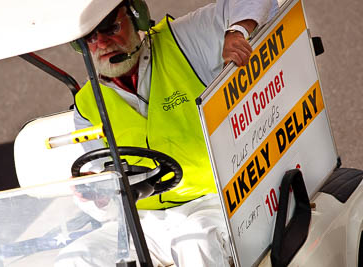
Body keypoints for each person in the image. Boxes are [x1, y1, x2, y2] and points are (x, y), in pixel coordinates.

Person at [56, 0, 278, 266]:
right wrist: (98, 195)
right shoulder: (87, 106)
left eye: (110, 28)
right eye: (90, 38)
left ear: (137, 18)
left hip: (214, 202)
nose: (102, 44)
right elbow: (106, 191)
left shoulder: (184, 40)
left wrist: (238, 31)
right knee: (75, 258)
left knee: (195, 241)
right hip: (147, 222)